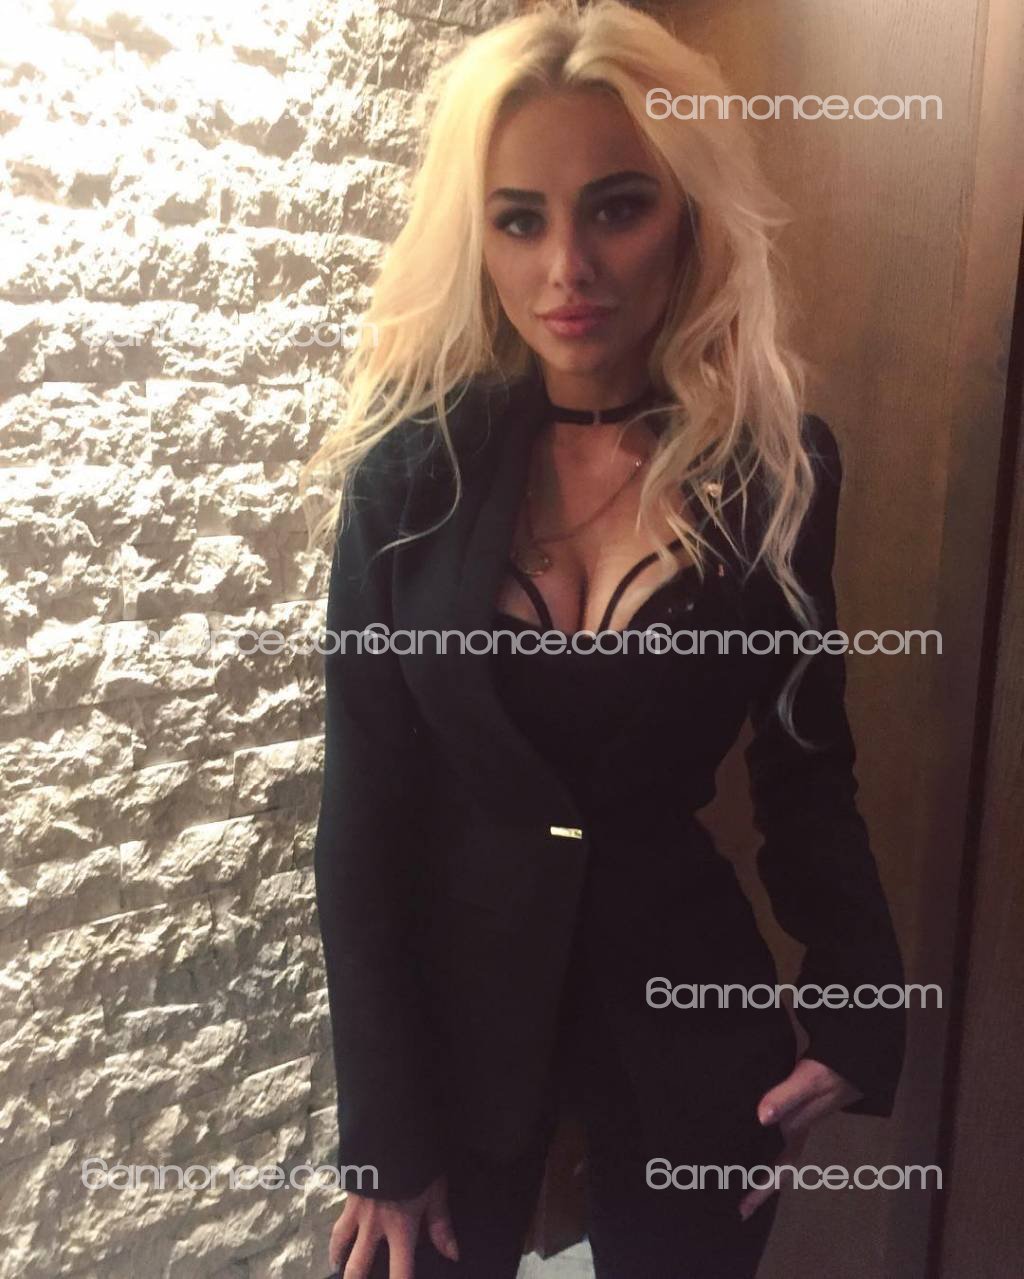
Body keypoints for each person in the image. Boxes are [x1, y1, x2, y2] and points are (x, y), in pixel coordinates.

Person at [301, 2, 907, 1276]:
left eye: (616, 207)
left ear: (688, 214)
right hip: (452, 1040)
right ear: (478, 236)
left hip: (688, 1030)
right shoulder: (409, 477)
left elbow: (805, 763)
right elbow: (363, 810)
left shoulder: (775, 470)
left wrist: (857, 1006)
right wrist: (383, 1136)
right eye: (520, 219)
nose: (566, 266)